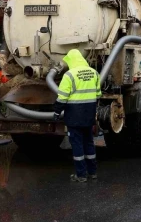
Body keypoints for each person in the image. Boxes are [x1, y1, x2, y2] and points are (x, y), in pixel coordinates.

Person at [54, 49, 101, 183]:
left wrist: (57, 112)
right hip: (89, 115)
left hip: (74, 116)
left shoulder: (69, 75)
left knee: (77, 145)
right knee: (89, 143)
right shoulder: (94, 73)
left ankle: (81, 175)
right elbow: (98, 94)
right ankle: (92, 172)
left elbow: (62, 98)